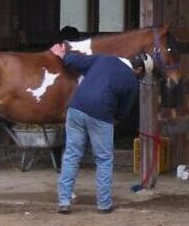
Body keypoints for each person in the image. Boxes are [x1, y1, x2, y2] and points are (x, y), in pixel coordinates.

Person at [50, 43, 146, 214]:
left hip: (76, 109)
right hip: (101, 116)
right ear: (138, 69)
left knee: (71, 155)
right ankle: (103, 204)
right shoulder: (132, 81)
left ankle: (64, 201)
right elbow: (124, 111)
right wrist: (114, 120)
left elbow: (76, 62)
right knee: (104, 159)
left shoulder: (104, 59)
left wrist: (62, 55)